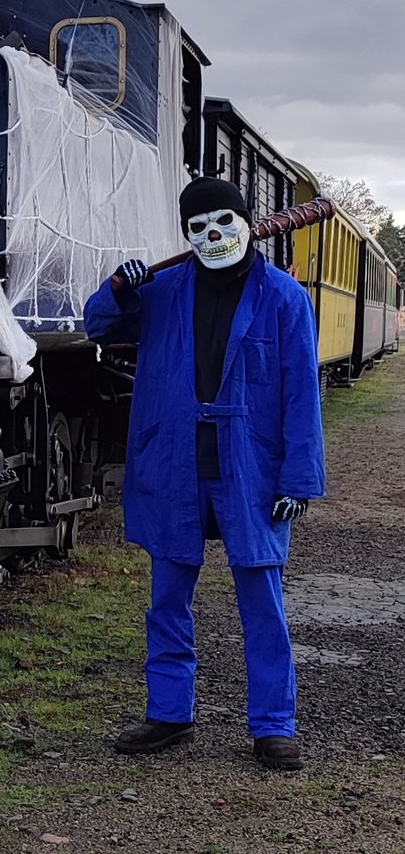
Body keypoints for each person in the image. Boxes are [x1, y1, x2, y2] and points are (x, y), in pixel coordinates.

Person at [83, 177, 325, 771]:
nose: (212, 236)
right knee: (167, 598)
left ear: (245, 221)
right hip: (174, 465)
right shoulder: (163, 291)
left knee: (262, 602)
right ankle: (169, 713)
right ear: (185, 234)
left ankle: (274, 725)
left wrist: (299, 479)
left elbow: (301, 396)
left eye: (223, 223)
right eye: (197, 228)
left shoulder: (284, 298)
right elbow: (99, 327)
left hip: (252, 469)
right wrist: (117, 289)